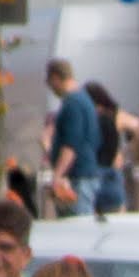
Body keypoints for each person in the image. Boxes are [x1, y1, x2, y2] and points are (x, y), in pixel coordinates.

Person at [44, 61, 108, 218]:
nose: (50, 87)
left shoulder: (73, 103)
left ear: (55, 78)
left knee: (77, 225)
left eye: (49, 81)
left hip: (77, 178)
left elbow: (71, 145)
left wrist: (57, 176)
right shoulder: (84, 100)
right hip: (84, 175)